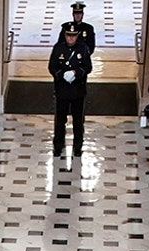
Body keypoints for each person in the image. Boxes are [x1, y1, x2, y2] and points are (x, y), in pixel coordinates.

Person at [48, 28, 91, 161]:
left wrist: (76, 73)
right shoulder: (58, 48)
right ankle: (58, 145)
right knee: (60, 121)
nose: (71, 38)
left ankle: (77, 147)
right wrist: (61, 75)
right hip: (62, 90)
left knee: (78, 121)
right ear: (65, 35)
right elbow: (52, 66)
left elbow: (88, 66)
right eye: (68, 35)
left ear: (77, 36)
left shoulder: (83, 49)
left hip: (78, 91)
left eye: (73, 36)